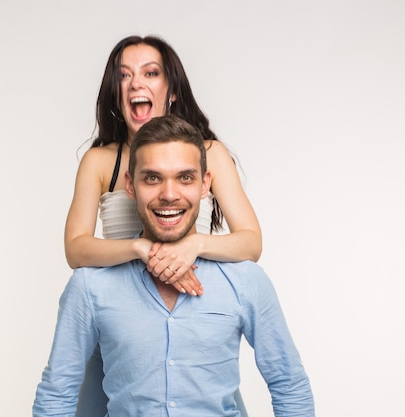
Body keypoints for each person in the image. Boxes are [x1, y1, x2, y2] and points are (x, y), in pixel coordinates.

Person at [34, 115, 314, 417]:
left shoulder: (245, 281)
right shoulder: (90, 288)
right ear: (130, 185)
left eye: (185, 177)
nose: (169, 194)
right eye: (153, 178)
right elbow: (57, 393)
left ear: (205, 184)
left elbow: (289, 385)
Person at [64, 35, 261, 416]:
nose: (136, 83)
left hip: (192, 316)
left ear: (170, 90)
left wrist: (193, 246)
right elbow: (76, 248)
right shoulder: (100, 161)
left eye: (150, 73)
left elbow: (251, 242)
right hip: (119, 324)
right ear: (115, 92)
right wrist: (141, 249)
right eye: (124, 76)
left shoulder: (209, 153)